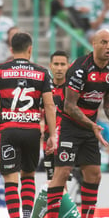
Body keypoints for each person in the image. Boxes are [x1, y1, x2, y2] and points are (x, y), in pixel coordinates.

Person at [43, 29, 109, 218]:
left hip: (90, 128)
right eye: (104, 42)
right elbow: (69, 106)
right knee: (62, 173)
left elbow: (108, 104)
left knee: (94, 174)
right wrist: (91, 125)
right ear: (94, 44)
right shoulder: (79, 69)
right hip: (70, 126)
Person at [0, 33, 57, 218]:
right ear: (30, 49)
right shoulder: (42, 72)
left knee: (10, 178)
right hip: (31, 131)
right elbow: (49, 105)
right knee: (28, 175)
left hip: (8, 130)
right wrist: (52, 135)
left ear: (11, 49)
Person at [42, 50, 69, 181]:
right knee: (51, 179)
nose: (59, 68)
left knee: (62, 178)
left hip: (66, 137)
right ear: (50, 65)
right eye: (56, 64)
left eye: (63, 64)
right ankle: (56, 202)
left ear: (68, 66)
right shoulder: (44, 87)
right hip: (48, 139)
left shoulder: (72, 89)